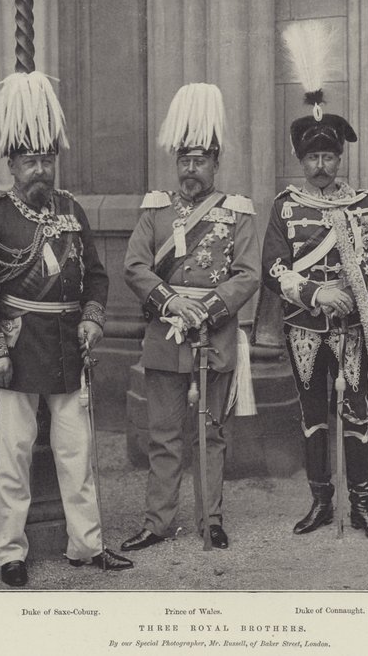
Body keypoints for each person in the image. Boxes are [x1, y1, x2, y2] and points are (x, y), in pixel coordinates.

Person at [0, 71, 132, 587]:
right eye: (31, 161)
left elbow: (96, 275)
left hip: (68, 347)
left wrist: (93, 318)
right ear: (11, 165)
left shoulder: (71, 209)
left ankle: (87, 545)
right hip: (18, 347)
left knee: (77, 451)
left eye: (47, 159)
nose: (41, 170)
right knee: (14, 453)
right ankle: (10, 552)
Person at [260, 21, 368, 542]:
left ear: (340, 158)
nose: (321, 166)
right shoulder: (286, 207)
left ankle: (362, 506)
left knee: (358, 414)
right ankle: (321, 502)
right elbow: (273, 267)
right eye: (312, 158)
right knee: (312, 418)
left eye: (328, 157)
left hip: (351, 331)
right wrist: (314, 291)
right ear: (301, 161)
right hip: (304, 327)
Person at [122, 83, 260, 552]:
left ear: (215, 162)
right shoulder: (156, 210)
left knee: (210, 434)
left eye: (199, 161)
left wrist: (208, 309)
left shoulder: (236, 212)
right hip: (166, 334)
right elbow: (135, 266)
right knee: (163, 435)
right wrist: (171, 302)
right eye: (184, 160)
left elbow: (248, 274)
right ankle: (157, 522)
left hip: (214, 336)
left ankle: (211, 519)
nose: (190, 169)